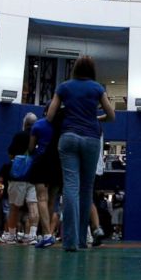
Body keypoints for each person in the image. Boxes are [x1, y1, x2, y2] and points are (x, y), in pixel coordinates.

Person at [47, 56, 115, 252]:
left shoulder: (64, 86)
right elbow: (111, 116)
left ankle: (69, 241)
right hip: (91, 139)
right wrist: (96, 117)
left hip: (68, 136)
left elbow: (50, 116)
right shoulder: (97, 88)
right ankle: (83, 241)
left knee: (70, 187)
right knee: (86, 189)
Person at [28, 104, 62, 249]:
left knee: (41, 198)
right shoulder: (62, 126)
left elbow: (30, 149)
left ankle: (46, 234)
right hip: (57, 163)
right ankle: (47, 234)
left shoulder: (38, 125)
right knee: (52, 200)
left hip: (41, 162)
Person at [2, 113, 39, 244]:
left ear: (25, 123)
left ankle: (11, 235)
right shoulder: (38, 137)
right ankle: (32, 236)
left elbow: (11, 153)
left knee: (14, 207)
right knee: (33, 205)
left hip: (18, 176)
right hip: (34, 176)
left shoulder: (19, 135)